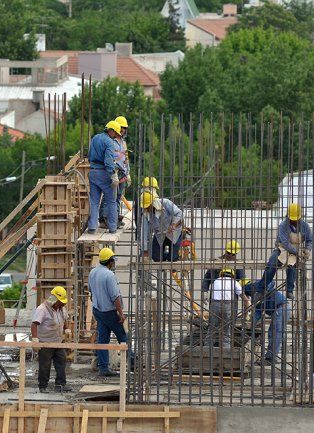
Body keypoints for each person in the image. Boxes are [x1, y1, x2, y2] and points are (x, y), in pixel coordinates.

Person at [89, 247, 130, 376]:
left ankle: (103, 367)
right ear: (110, 261)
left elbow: (91, 292)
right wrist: (121, 314)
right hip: (109, 312)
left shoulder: (93, 272)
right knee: (123, 336)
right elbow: (115, 297)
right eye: (113, 261)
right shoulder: (109, 275)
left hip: (98, 311)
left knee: (103, 339)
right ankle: (133, 362)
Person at [260, 203, 313, 299]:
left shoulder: (305, 226)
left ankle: (289, 290)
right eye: (291, 219)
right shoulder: (283, 226)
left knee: (292, 266)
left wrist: (307, 249)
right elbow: (285, 243)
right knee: (272, 264)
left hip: (296, 250)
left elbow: (309, 240)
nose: (293, 221)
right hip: (282, 248)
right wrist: (298, 253)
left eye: (295, 219)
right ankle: (262, 286)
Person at [30, 286, 70, 392]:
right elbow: (34, 324)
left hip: (58, 341)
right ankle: (43, 386)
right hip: (45, 342)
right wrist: (34, 338)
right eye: (60, 302)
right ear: (53, 299)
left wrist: (66, 329)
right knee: (45, 365)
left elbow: (64, 319)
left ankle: (60, 385)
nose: (62, 304)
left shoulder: (61, 309)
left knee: (62, 361)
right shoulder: (42, 309)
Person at [88, 121, 123, 234]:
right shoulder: (109, 142)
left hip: (93, 172)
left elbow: (89, 155)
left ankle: (92, 227)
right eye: (116, 133)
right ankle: (113, 227)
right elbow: (108, 161)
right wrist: (113, 175)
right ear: (111, 130)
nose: (116, 136)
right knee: (111, 201)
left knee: (94, 201)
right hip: (104, 173)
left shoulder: (95, 138)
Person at [244, 279, 288, 365]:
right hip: (277, 310)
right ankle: (271, 356)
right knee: (272, 333)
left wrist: (263, 290)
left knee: (275, 333)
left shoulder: (257, 286)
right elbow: (257, 312)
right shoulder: (255, 297)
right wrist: (250, 324)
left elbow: (271, 282)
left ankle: (270, 359)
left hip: (281, 308)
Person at [207, 269, 250, 348]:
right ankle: (226, 351)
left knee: (212, 329)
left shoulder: (215, 281)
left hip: (214, 305)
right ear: (233, 275)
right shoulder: (234, 282)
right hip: (227, 305)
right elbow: (244, 298)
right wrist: (247, 306)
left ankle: (206, 350)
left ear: (221, 274)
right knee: (227, 330)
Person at [140, 191, 186, 262]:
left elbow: (180, 214)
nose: (147, 208)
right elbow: (144, 232)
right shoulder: (146, 214)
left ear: (154, 203)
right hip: (160, 235)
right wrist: (145, 250)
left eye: (148, 206)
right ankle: (164, 257)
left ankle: (173, 255)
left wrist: (174, 224)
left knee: (173, 258)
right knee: (156, 258)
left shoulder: (166, 203)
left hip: (174, 233)